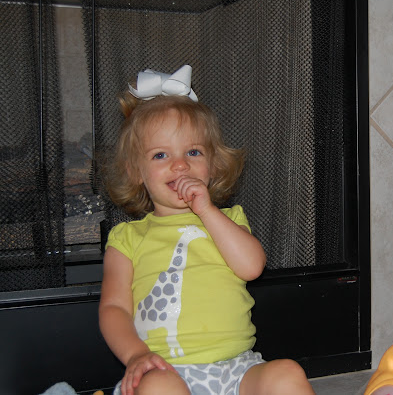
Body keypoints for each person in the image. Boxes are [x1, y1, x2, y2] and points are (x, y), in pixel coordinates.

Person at [99, 65, 315, 395]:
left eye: (193, 152)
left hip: (237, 369)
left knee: (287, 373)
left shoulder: (229, 220)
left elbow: (252, 266)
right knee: (156, 389)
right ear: (135, 172)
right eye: (160, 155)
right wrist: (135, 355)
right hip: (165, 370)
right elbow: (114, 308)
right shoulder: (127, 239)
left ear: (212, 165)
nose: (180, 164)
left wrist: (206, 211)